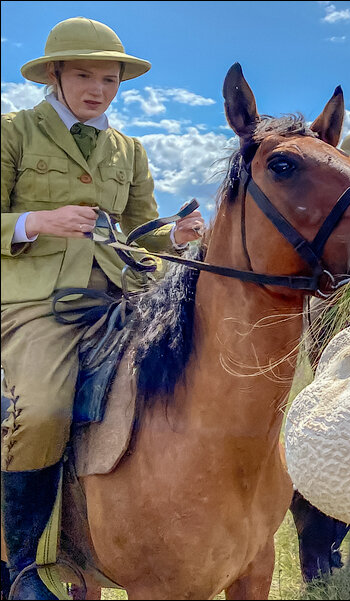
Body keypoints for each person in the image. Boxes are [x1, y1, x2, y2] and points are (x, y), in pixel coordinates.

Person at [1, 17, 204, 599]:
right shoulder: (14, 132)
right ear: (55, 76)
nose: (98, 89)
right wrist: (34, 221)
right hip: (35, 301)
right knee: (40, 411)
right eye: (85, 75)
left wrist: (179, 237)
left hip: (122, 293)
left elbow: (142, 233)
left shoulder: (129, 150)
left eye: (110, 79)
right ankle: (18, 568)